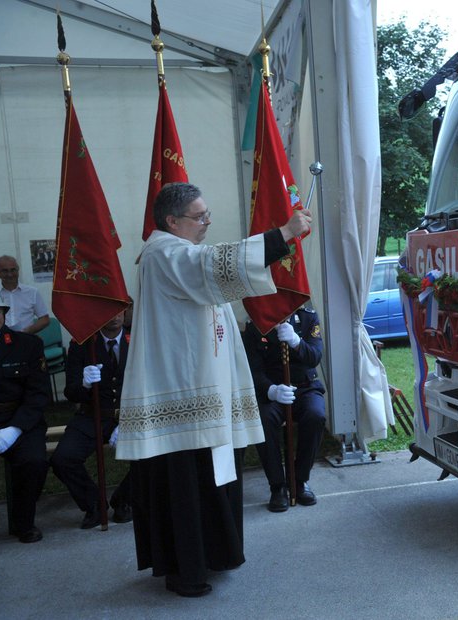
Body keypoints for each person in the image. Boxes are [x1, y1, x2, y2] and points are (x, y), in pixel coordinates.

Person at [116, 182, 311, 598]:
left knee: (209, 478)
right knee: (187, 484)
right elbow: (211, 265)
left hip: (203, 389)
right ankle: (186, 569)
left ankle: (214, 555)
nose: (207, 222)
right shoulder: (163, 251)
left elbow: (217, 276)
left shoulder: (175, 252)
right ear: (172, 221)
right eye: (199, 216)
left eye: (206, 215)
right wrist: (284, 234)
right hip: (183, 394)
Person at [50, 310, 132, 529]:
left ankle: (125, 499)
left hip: (130, 415)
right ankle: (94, 504)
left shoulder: (137, 340)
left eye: (119, 310)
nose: (114, 316)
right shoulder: (82, 344)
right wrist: (84, 385)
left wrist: (128, 419)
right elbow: (70, 391)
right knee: (63, 459)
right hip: (91, 415)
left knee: (155, 453)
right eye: (108, 310)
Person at [242, 305, 326, 512]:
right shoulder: (256, 324)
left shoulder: (308, 318)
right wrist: (270, 390)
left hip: (305, 387)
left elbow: (314, 356)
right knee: (264, 420)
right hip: (273, 390)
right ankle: (277, 486)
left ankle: (299, 480)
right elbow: (252, 368)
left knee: (316, 416)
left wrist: (297, 343)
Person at [0, 291, 49, 543]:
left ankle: (23, 523)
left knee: (33, 461)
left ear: (4, 315)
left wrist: (15, 429)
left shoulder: (27, 345)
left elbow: (38, 394)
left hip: (18, 418)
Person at [0, 256, 51, 335]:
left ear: (18, 270)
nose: (9, 274)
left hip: (25, 339)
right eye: (5, 271)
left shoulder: (32, 292)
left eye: (13, 270)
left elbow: (45, 319)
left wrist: (29, 330)